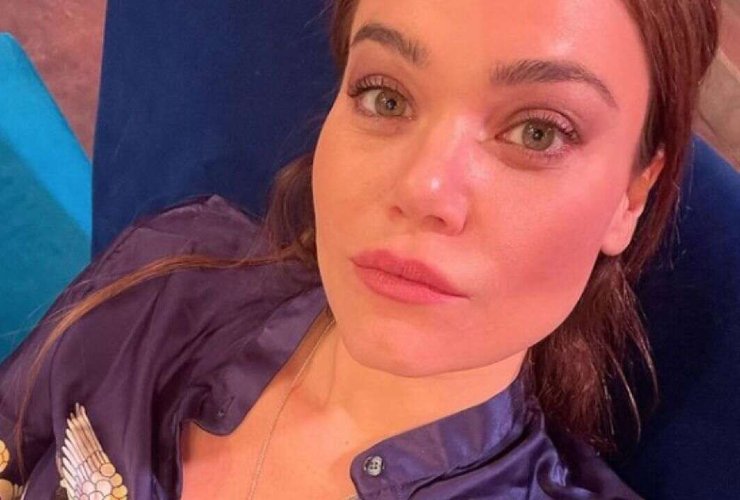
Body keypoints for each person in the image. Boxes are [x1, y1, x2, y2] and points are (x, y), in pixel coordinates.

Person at [0, 0, 721, 498]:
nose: (423, 188)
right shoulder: (165, 278)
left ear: (633, 195)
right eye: (386, 97)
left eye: (538, 132)